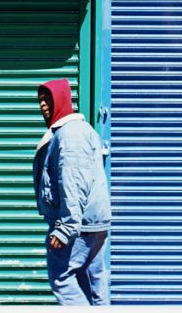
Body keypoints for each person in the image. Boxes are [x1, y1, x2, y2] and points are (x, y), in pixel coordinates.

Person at [34, 78, 111, 305]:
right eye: (40, 101)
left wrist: (66, 228)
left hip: (79, 225)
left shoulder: (70, 135)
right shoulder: (75, 131)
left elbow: (73, 182)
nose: (43, 105)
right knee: (93, 282)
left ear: (62, 100)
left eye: (48, 99)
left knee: (61, 278)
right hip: (92, 222)